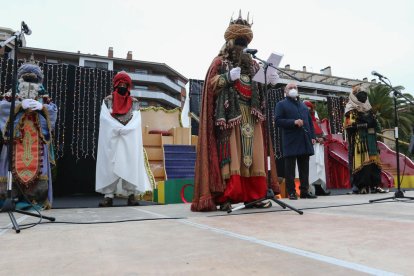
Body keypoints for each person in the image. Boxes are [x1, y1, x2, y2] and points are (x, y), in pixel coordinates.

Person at [191, 11, 279, 212]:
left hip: (252, 116)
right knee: (234, 158)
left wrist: (271, 83)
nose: (241, 47)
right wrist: (226, 78)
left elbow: (261, 87)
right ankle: (228, 196)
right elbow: (210, 87)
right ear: (229, 41)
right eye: (238, 42)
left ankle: (254, 196)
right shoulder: (219, 62)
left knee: (254, 157)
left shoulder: (254, 64)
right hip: (230, 116)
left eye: (244, 43)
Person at [0, 63, 57, 209]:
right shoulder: (11, 95)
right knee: (10, 167)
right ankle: (9, 198)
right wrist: (19, 105)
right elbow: (2, 108)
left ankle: (33, 200)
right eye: (27, 78)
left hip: (36, 140)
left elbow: (53, 111)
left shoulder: (44, 97)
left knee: (38, 167)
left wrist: (42, 108)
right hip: (15, 139)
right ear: (20, 79)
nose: (30, 82)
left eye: (34, 79)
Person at [95, 71, 152, 207]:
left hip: (129, 138)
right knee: (110, 165)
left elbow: (137, 119)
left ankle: (131, 194)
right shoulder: (108, 100)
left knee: (130, 163)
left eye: (124, 84)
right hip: (112, 137)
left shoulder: (134, 102)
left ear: (128, 86)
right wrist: (117, 128)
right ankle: (108, 195)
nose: (122, 86)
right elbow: (105, 118)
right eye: (119, 84)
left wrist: (127, 130)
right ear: (115, 85)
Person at [275, 83, 317, 200]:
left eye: (295, 88)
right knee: (290, 169)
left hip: (304, 140)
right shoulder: (281, 104)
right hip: (290, 140)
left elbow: (309, 122)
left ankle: (304, 191)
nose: (293, 90)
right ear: (285, 91)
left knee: (304, 168)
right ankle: (291, 192)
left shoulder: (303, 106)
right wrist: (293, 122)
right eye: (290, 88)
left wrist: (312, 136)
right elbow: (278, 121)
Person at [344, 84, 386, 194]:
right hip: (359, 140)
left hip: (371, 138)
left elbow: (376, 125)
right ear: (354, 95)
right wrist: (364, 125)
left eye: (364, 93)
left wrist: (373, 124)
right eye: (359, 93)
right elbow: (349, 126)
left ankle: (375, 185)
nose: (363, 95)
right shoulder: (350, 108)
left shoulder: (369, 108)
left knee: (374, 163)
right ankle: (361, 186)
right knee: (362, 162)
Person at [303, 101, 330, 196]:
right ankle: (309, 189)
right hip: (310, 147)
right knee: (311, 168)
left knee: (320, 169)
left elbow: (322, 133)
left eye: (310, 108)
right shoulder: (304, 119)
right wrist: (314, 139)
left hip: (319, 148)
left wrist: (322, 138)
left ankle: (319, 188)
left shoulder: (315, 120)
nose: (309, 110)